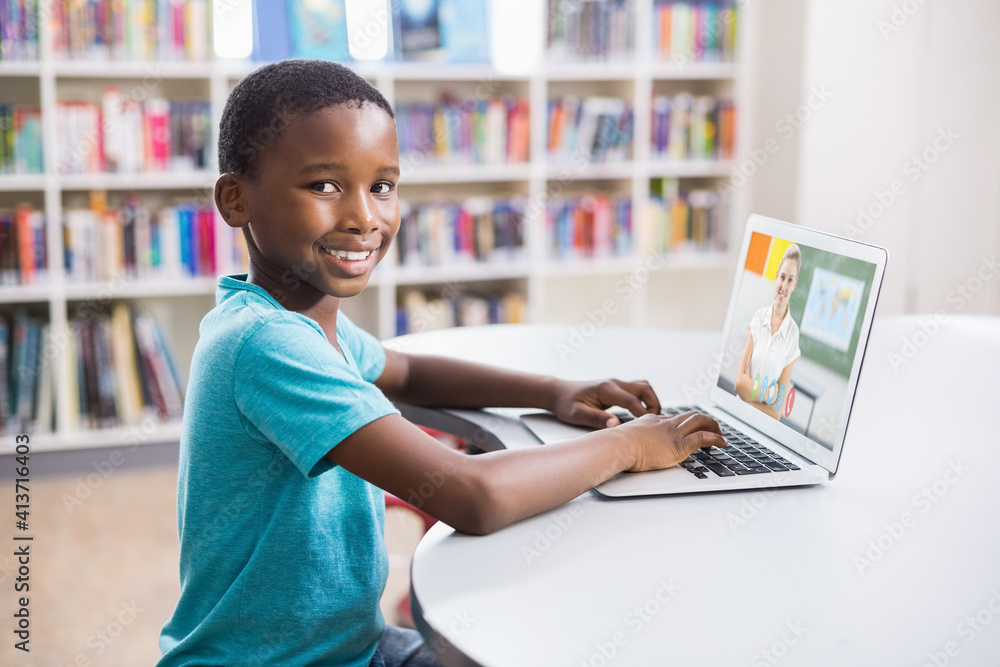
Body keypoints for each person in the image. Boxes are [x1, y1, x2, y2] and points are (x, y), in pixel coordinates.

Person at [157, 59, 727, 667]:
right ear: (236, 199)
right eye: (324, 186)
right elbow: (468, 496)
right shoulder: (265, 344)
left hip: (349, 646)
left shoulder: (304, 321)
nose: (364, 217)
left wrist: (555, 389)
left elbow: (408, 371)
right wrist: (628, 447)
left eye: (381, 186)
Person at [734, 243, 802, 420]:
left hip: (762, 425)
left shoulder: (793, 334)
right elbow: (739, 383)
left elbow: (777, 412)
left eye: (790, 280)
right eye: (782, 277)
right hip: (737, 416)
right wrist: (770, 396)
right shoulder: (758, 318)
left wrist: (749, 398)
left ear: (795, 284)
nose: (784, 286)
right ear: (777, 276)